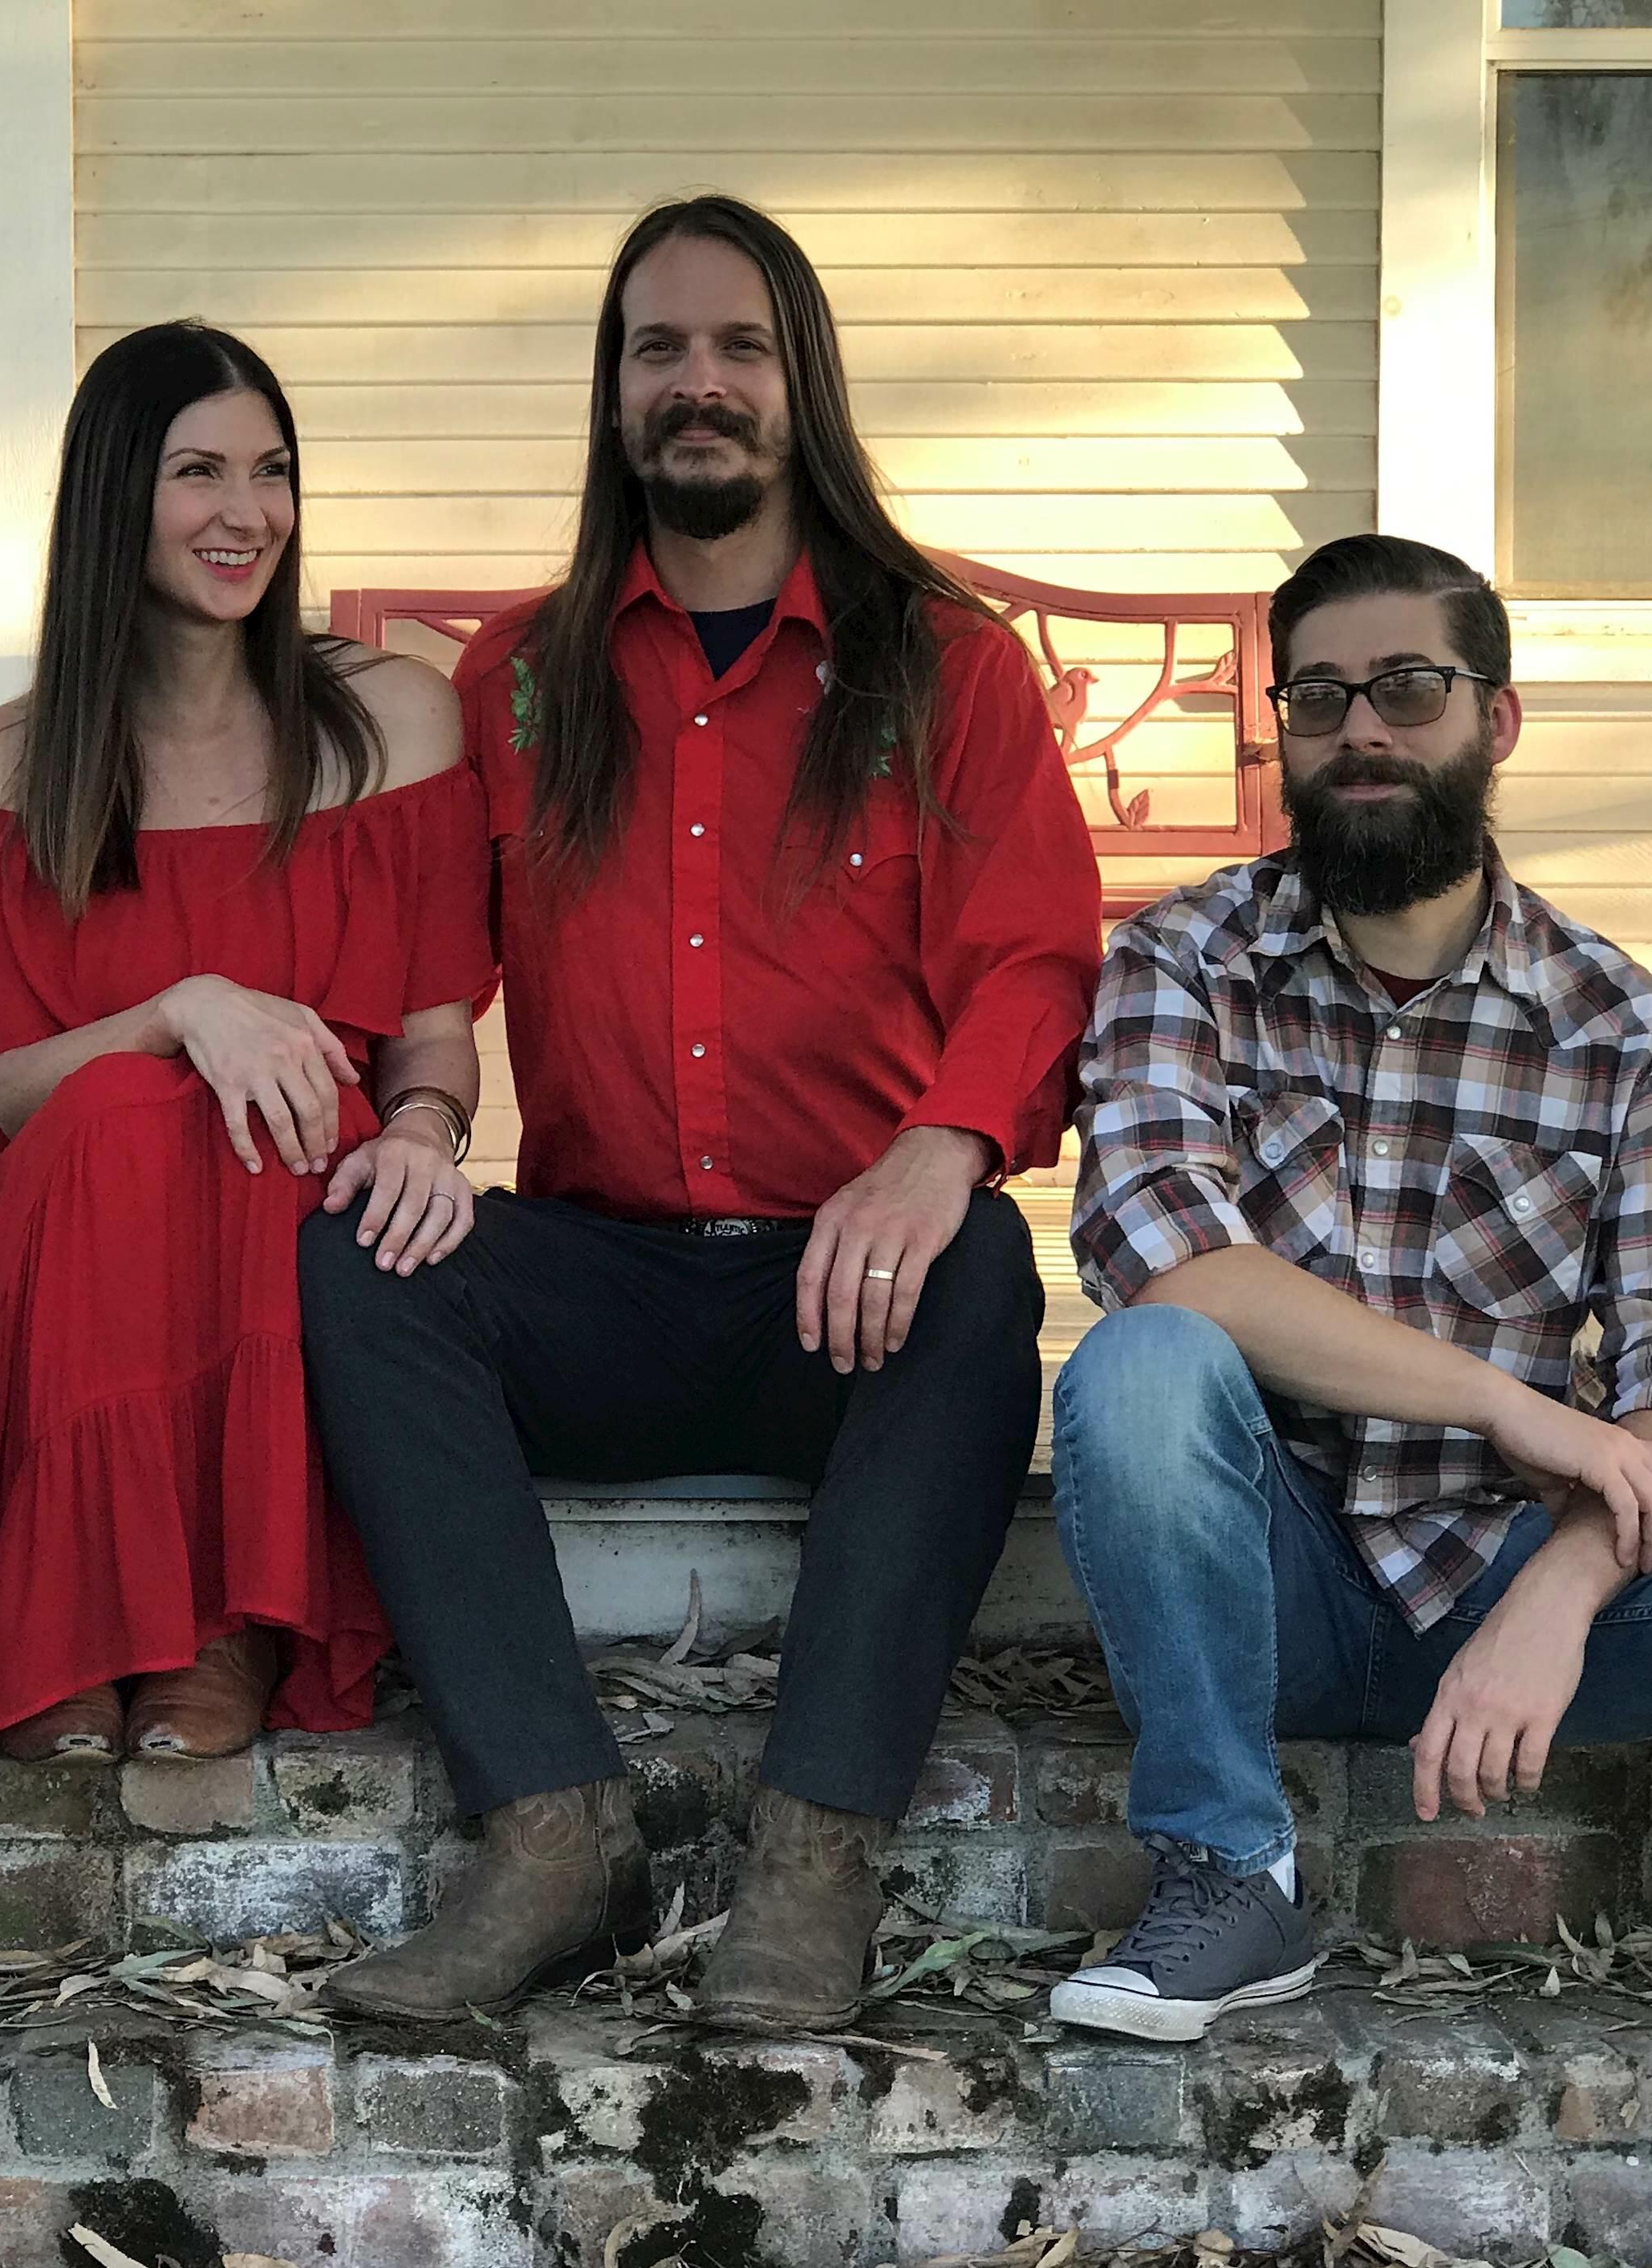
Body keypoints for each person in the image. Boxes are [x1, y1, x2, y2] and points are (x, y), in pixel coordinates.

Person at [299, 196, 1103, 2032]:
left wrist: (939, 1149)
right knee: (366, 1261)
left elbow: (1037, 964)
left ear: (800, 380)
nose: (700, 382)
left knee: (981, 1267)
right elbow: (430, 974)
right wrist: (417, 1121)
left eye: (740, 345)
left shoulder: (947, 665)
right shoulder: (521, 679)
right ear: (614, 395)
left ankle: (813, 1861)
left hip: (846, 1289)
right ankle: (550, 1833)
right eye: (658, 348)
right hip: (607, 1277)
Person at [0, 322, 491, 1763]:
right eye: (199, 472)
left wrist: (427, 1133)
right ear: (115, 494)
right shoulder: (7, 764)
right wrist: (185, 1008)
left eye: (272, 471)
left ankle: (221, 1624)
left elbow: (435, 1036)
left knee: (268, 1126)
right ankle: (75, 1614)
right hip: (78, 1218)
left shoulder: (393, 722)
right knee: (124, 1116)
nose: (245, 512)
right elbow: (17, 1088)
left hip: (300, 1192)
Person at [1050, 534, 1652, 2044]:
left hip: (1518, 1581)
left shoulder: (1618, 1030)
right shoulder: (1182, 959)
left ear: (1496, 721)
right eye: (1319, 698)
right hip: (1269, 1585)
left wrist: (1565, 1588)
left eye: (1407, 689)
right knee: (1141, 1363)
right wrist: (1518, 1408)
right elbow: (1171, 1263)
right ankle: (1228, 1872)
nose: (1361, 730)